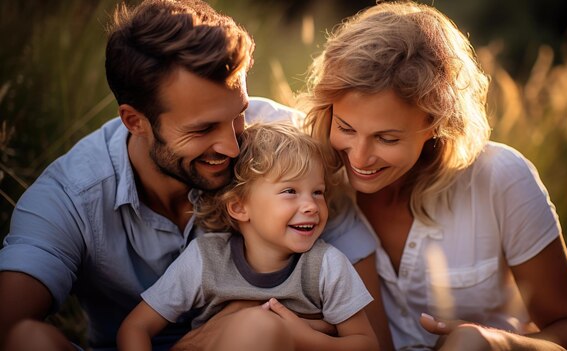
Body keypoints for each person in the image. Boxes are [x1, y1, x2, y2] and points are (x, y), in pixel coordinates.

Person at [0, 1, 381, 350]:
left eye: (238, 115)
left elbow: (373, 331)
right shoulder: (72, 194)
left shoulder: (290, 149)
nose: (234, 147)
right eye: (202, 130)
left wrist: (262, 324)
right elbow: (9, 327)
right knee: (27, 338)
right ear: (136, 121)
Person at [300, 2, 567, 351]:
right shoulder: (309, 182)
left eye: (387, 138)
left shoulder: (501, 179)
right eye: (346, 128)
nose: (360, 157)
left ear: (436, 124)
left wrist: (489, 342)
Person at [117, 122, 378, 351]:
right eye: (290, 191)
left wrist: (303, 339)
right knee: (258, 326)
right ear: (240, 207)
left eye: (318, 192)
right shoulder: (206, 260)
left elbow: (366, 344)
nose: (311, 205)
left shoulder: (326, 266)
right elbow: (135, 328)